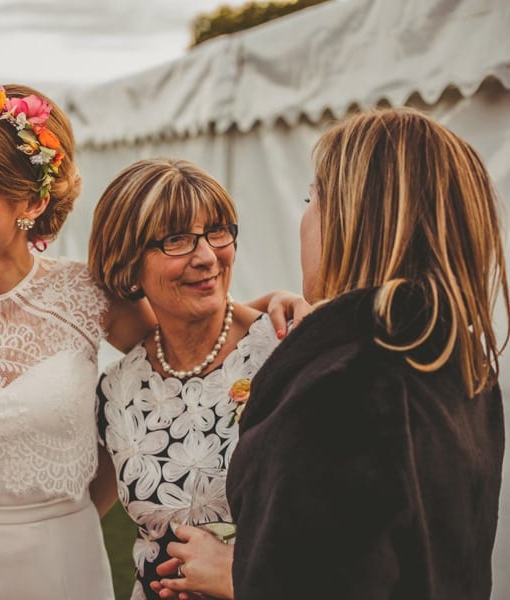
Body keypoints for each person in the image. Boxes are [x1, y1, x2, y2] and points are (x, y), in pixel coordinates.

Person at [0, 79, 305, 599]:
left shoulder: (89, 295)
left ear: (29, 201)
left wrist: (265, 309)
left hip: (64, 570)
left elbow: (187, 333)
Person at [152, 107, 509, 600]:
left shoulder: (342, 386)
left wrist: (238, 576)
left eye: (312, 199)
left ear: (355, 218)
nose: (305, 218)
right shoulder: (460, 362)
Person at [86, 158, 284, 600]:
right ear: (127, 261)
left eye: (217, 231)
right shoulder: (117, 389)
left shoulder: (285, 354)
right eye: (177, 240)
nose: (208, 256)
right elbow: (73, 509)